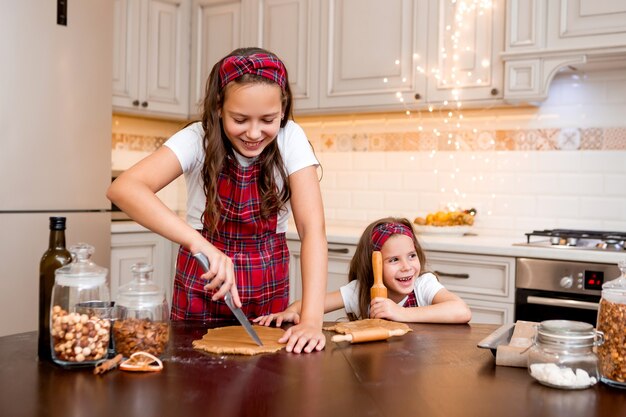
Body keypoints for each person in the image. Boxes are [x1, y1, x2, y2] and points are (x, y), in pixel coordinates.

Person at [107, 47, 327, 354]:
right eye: (240, 119)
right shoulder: (198, 138)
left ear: (283, 108)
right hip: (202, 284)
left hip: (269, 286)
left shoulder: (291, 138)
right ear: (219, 108)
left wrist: (311, 321)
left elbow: (312, 229)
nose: (253, 133)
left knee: (268, 383)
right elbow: (124, 188)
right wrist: (201, 245)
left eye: (267, 119)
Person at [255, 217, 472, 326]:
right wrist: (291, 311)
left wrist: (401, 313)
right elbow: (309, 305)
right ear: (373, 264)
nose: (407, 266)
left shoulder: (423, 285)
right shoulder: (360, 290)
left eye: (411, 255)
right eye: (394, 260)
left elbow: (461, 311)